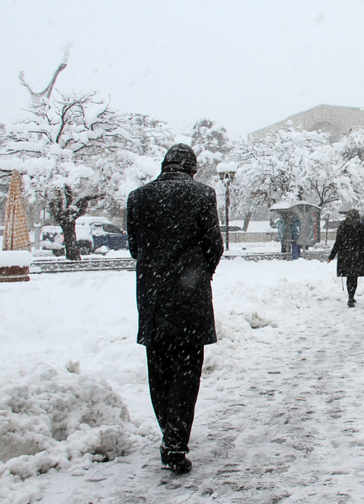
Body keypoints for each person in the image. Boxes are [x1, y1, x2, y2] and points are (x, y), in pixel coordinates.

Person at [126, 143, 224, 474]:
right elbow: (214, 245)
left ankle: (169, 429)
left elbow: (135, 247)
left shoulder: (138, 197)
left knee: (159, 371)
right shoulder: (202, 194)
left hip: (152, 297)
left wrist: (157, 267)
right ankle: (175, 442)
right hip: (189, 299)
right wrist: (198, 273)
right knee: (186, 372)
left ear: (165, 165)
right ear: (191, 168)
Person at [328, 209, 364, 307]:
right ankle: (351, 296)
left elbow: (338, 242)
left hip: (345, 256)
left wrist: (331, 256)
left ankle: (350, 296)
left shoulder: (342, 226)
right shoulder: (360, 226)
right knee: (354, 277)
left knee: (349, 276)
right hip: (357, 256)